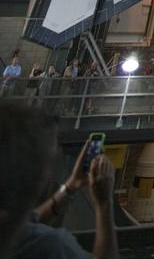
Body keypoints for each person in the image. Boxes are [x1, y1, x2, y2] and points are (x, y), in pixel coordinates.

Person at [0, 100, 118, 259]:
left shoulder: (10, 229)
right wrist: (104, 204)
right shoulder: (51, 247)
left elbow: (25, 223)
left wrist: (71, 186)